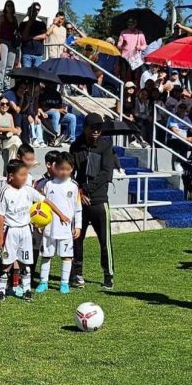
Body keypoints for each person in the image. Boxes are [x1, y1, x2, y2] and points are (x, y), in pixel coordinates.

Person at [0, 159, 69, 301]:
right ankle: (1, 289)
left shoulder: (28, 190)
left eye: (26, 174)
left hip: (26, 231)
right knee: (7, 262)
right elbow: (1, 215)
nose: (24, 177)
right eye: (21, 175)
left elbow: (46, 201)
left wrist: (61, 215)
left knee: (26, 262)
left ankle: (27, 289)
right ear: (11, 176)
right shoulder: (4, 191)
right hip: (10, 231)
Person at [70, 113, 115, 290]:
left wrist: (87, 190)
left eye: (99, 128)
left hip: (99, 200)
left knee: (104, 240)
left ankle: (108, 274)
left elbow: (106, 173)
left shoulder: (106, 145)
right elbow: (71, 171)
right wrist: (79, 191)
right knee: (77, 239)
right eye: (93, 127)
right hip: (80, 200)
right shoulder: (76, 146)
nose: (96, 131)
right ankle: (77, 273)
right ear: (85, 127)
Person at [35, 152, 82, 294]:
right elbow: (40, 206)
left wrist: (78, 226)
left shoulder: (73, 186)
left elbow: (77, 207)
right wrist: (39, 223)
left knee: (66, 256)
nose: (64, 172)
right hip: (49, 227)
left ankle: (64, 283)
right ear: (55, 167)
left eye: (67, 169)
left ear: (72, 169)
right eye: (61, 169)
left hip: (66, 228)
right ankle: (43, 282)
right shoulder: (48, 185)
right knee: (46, 255)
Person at [0, 0, 20, 91]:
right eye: (7, 5)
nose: (9, 7)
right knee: (2, 63)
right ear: (5, 7)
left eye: (11, 5)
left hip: (12, 43)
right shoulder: (2, 17)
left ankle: (7, 83)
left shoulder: (15, 18)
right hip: (3, 41)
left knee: (10, 65)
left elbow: (17, 31)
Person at [0, 97, 22, 161]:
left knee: (14, 147)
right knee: (16, 140)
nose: (5, 105)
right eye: (2, 104)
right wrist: (9, 129)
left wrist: (16, 131)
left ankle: (12, 167)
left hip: (7, 138)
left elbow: (12, 129)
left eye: (7, 104)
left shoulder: (10, 116)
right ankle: (25, 159)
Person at [19, 3, 47, 68]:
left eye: (38, 10)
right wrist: (29, 22)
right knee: (26, 74)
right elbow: (24, 37)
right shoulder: (23, 24)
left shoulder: (41, 24)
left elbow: (44, 35)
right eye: (34, 9)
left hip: (38, 53)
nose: (36, 11)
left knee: (36, 75)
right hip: (26, 52)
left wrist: (32, 37)